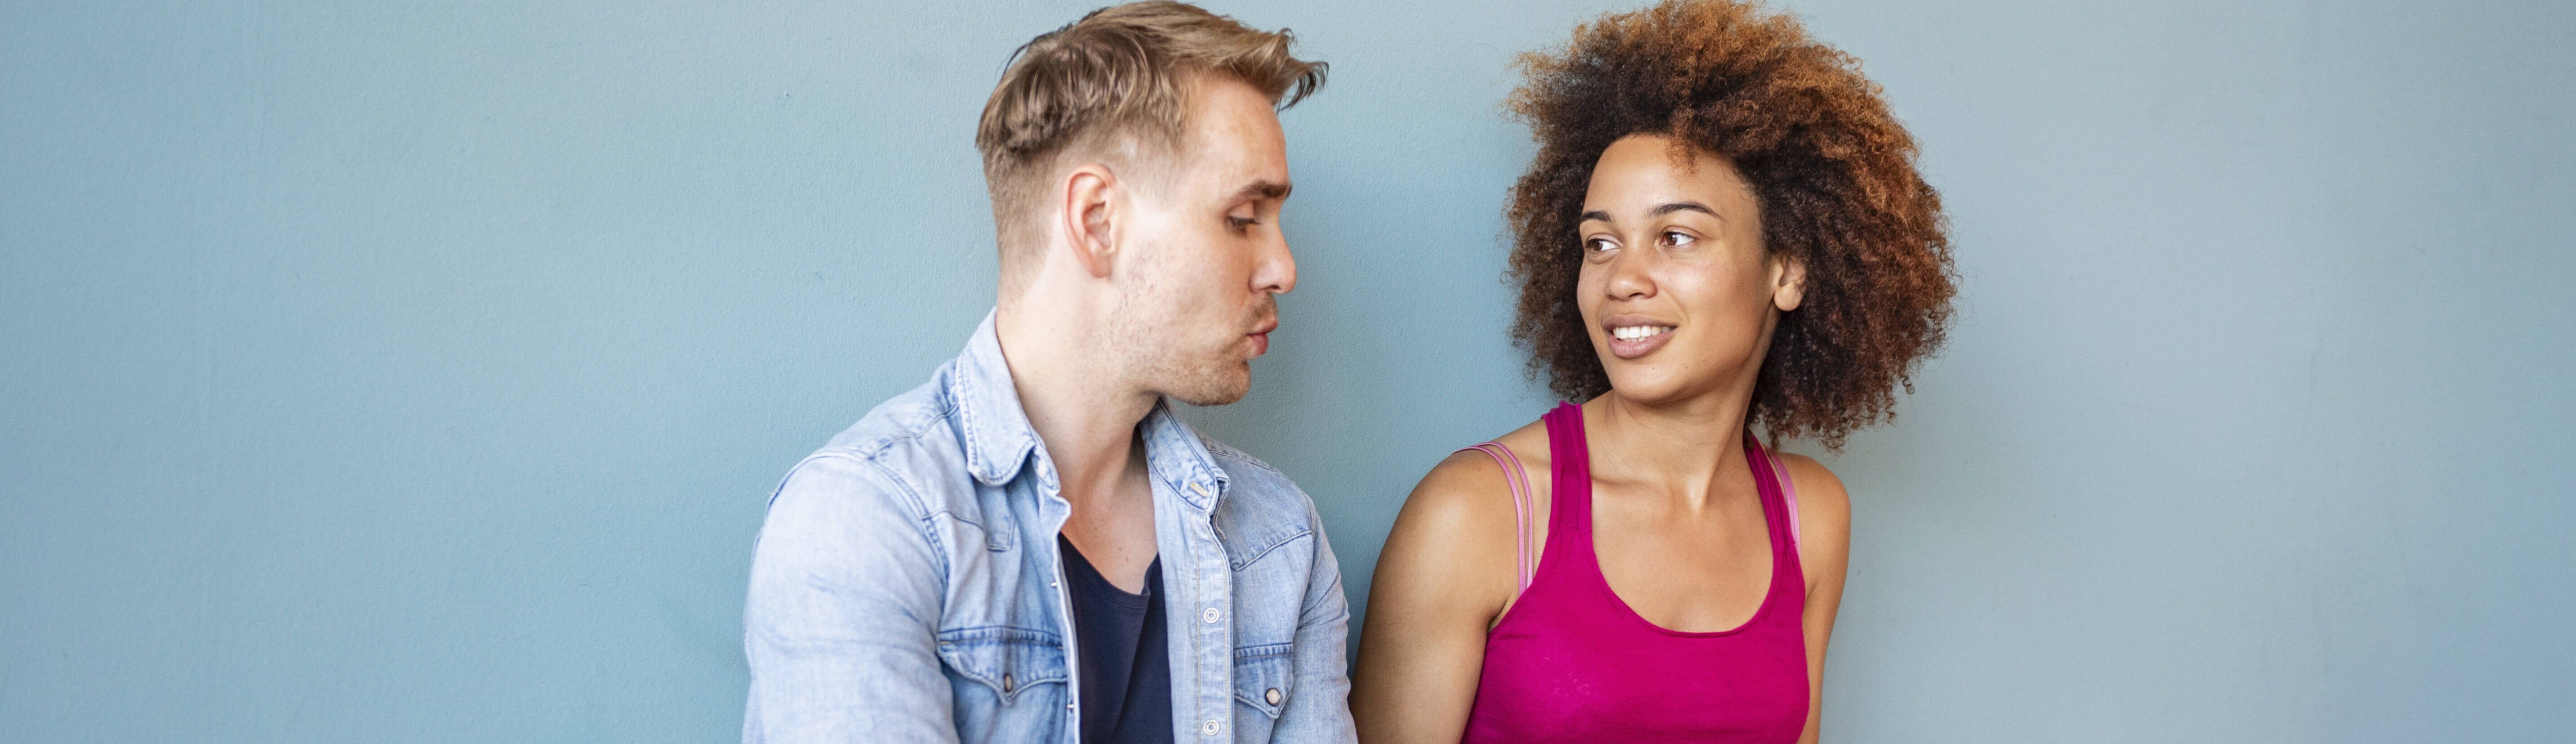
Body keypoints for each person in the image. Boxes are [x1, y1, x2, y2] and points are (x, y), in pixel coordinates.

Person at [742, 4, 1353, 743]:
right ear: (1098, 221)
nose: (1283, 269)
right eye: (1243, 216)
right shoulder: (866, 521)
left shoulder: (1280, 543)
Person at [1350, 1, 1955, 742]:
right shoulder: (1476, 513)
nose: (1623, 279)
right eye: (1599, 243)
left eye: (1675, 236)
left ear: (1788, 271)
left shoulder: (1812, 517)